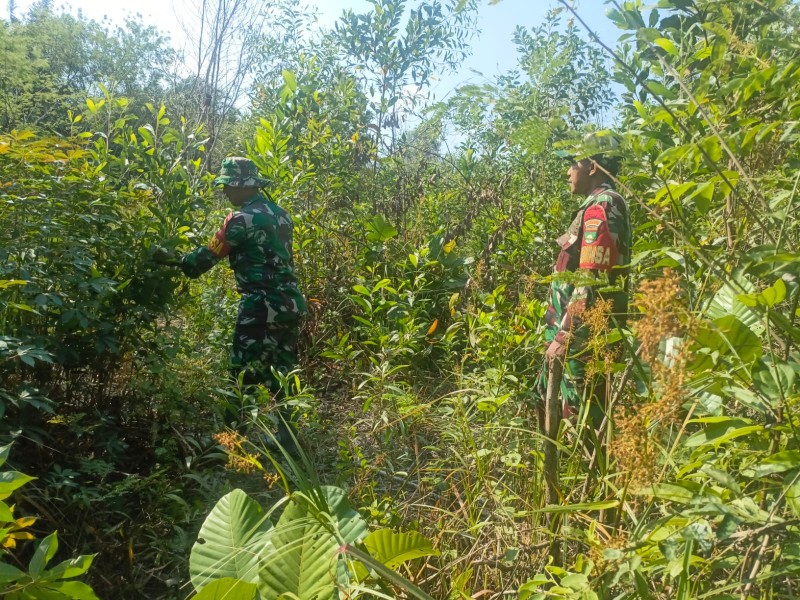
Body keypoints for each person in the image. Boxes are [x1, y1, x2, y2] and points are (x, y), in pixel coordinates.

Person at [171, 157, 307, 449]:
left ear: (243, 187)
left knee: (240, 371)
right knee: (282, 370)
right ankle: (290, 439)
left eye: (228, 186)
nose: (225, 193)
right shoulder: (281, 214)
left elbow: (206, 257)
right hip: (290, 303)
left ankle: (230, 442)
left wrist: (177, 261)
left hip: (260, 306)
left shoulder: (240, 220)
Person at [537, 134, 631, 435]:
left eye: (573, 164)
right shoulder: (594, 205)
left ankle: (590, 480)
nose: (568, 172)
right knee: (554, 408)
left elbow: (591, 279)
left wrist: (564, 337)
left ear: (592, 166)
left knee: (585, 421)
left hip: (583, 342)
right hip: (575, 337)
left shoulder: (603, 205)